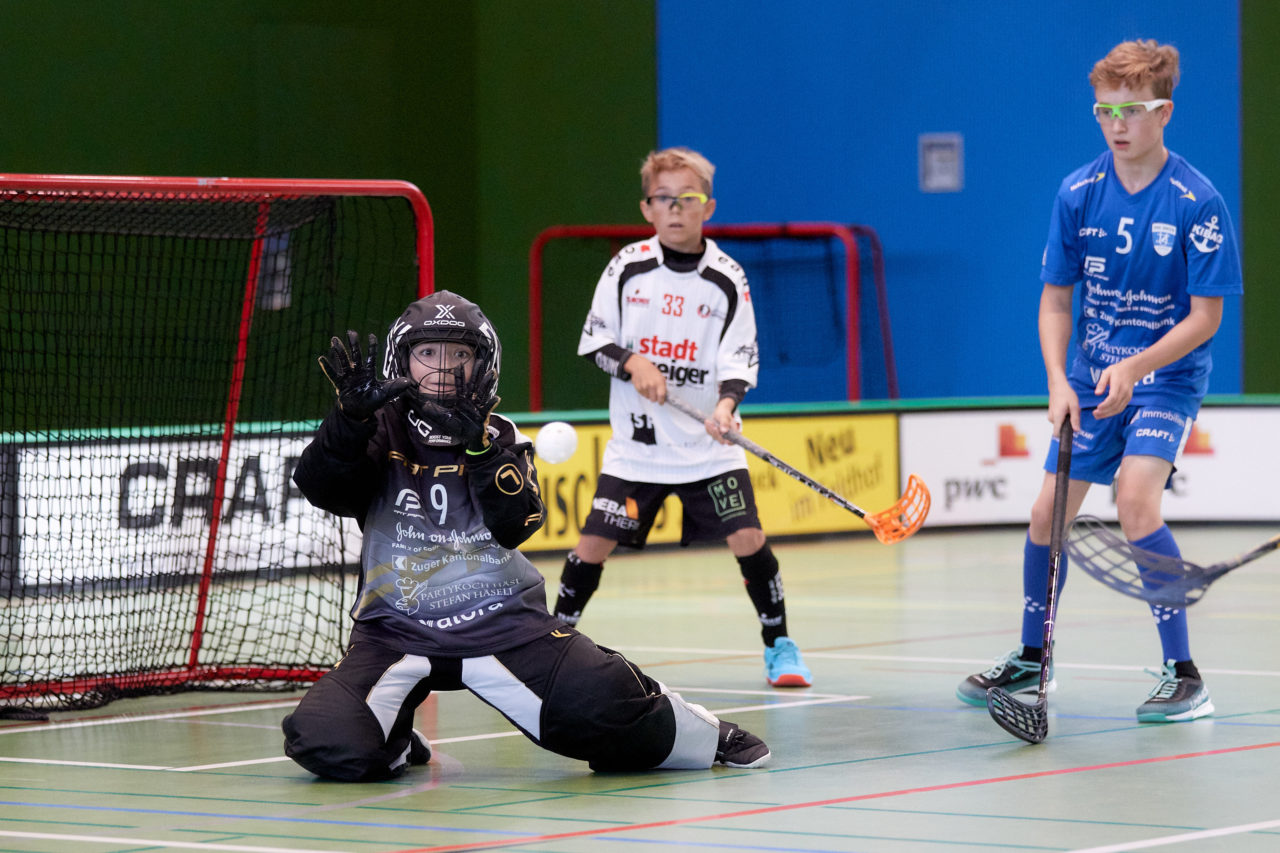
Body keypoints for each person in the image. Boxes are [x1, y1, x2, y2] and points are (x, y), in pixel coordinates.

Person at [282, 290, 770, 780]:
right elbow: (323, 489)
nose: (442, 368)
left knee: (603, 712)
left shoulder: (502, 436)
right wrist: (347, 424)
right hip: (394, 632)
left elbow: (517, 525)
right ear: (401, 361)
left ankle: (706, 731)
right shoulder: (377, 429)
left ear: (483, 364)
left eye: (460, 355)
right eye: (427, 353)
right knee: (327, 742)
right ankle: (395, 740)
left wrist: (479, 450)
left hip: (505, 626)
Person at [956, 40, 1243, 722]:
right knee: (1045, 513)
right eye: (1105, 110)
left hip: (1165, 378)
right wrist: (1059, 381)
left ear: (1165, 111)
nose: (1118, 124)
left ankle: (1184, 672)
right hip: (1089, 380)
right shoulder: (1078, 191)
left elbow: (1206, 317)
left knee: (1137, 501)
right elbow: (1057, 299)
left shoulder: (1196, 202)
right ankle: (1032, 659)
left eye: (1133, 110)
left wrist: (1137, 367)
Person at [552, 146, 813, 688]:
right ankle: (551, 643)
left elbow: (739, 356)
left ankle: (779, 645)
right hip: (638, 451)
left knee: (747, 537)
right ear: (647, 208)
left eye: (687, 199)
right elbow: (594, 342)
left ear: (708, 207)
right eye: (663, 199)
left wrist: (725, 407)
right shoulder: (626, 268)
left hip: (707, 449)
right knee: (591, 546)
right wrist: (631, 362)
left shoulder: (726, 278)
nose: (675, 209)